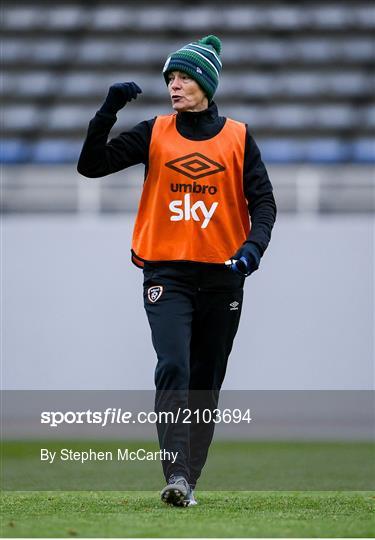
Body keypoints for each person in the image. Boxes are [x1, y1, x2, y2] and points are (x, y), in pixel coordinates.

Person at [77, 35, 276, 507]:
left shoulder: (239, 137)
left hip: (224, 276)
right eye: (170, 77)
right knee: (173, 367)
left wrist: (253, 248)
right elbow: (91, 165)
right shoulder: (154, 132)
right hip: (167, 275)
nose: (174, 85)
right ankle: (177, 476)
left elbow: (264, 203)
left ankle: (189, 479)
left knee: (206, 380)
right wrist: (107, 111)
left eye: (184, 76)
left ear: (206, 82)